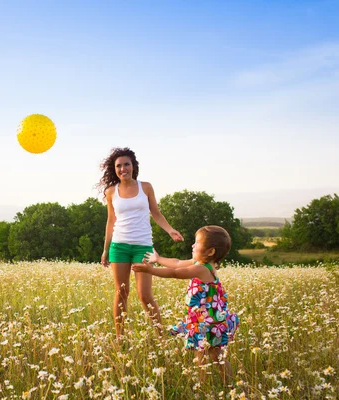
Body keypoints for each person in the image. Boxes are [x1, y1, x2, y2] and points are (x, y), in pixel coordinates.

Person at [132, 225, 239, 386]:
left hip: (207, 322)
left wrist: (151, 271)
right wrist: (158, 259)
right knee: (218, 355)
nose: (192, 245)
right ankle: (228, 384)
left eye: (197, 243)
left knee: (203, 354)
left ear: (210, 252)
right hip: (210, 320)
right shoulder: (201, 264)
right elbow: (177, 263)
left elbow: (176, 273)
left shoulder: (202, 268)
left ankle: (205, 385)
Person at [98, 147, 183, 339]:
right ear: (114, 169)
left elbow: (156, 213)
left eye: (126, 164)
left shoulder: (146, 187)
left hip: (143, 246)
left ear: (133, 166)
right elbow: (110, 222)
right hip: (119, 247)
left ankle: (161, 337)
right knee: (121, 293)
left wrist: (170, 230)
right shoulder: (111, 192)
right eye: (118, 166)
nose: (123, 169)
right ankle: (120, 338)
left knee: (144, 295)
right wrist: (105, 250)